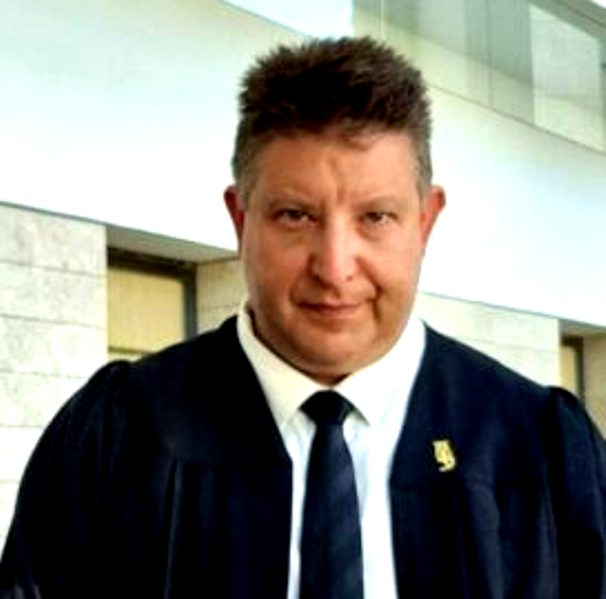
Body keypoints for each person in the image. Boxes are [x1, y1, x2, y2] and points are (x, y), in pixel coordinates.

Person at [1, 36, 605, 599]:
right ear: (240, 220)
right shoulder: (118, 435)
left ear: (425, 222)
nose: (335, 268)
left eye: (375, 217)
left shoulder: (541, 449)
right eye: (296, 216)